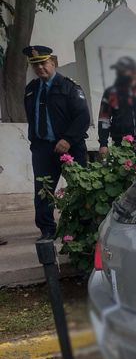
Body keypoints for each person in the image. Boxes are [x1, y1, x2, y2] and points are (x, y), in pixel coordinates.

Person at [22, 45, 89, 240]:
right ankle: (47, 230)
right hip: (43, 147)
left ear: (54, 63)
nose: (40, 68)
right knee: (43, 191)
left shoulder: (69, 87)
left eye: (43, 63)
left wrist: (67, 139)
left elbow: (83, 117)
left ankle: (81, 229)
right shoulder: (31, 89)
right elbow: (33, 116)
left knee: (79, 188)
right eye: (35, 65)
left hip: (71, 147)